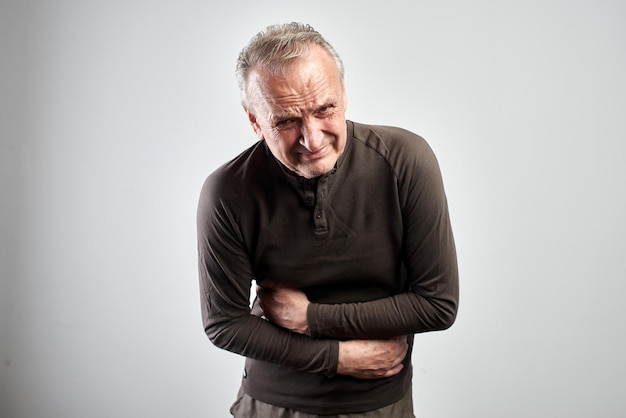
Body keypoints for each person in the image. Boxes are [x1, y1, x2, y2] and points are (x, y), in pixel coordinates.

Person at [197, 22, 459, 417]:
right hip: (272, 405)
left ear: (344, 95)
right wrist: (338, 357)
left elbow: (438, 304)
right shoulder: (228, 192)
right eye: (285, 121)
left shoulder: (406, 161)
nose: (313, 138)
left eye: (324, 109)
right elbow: (224, 323)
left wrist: (311, 319)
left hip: (380, 406)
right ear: (255, 121)